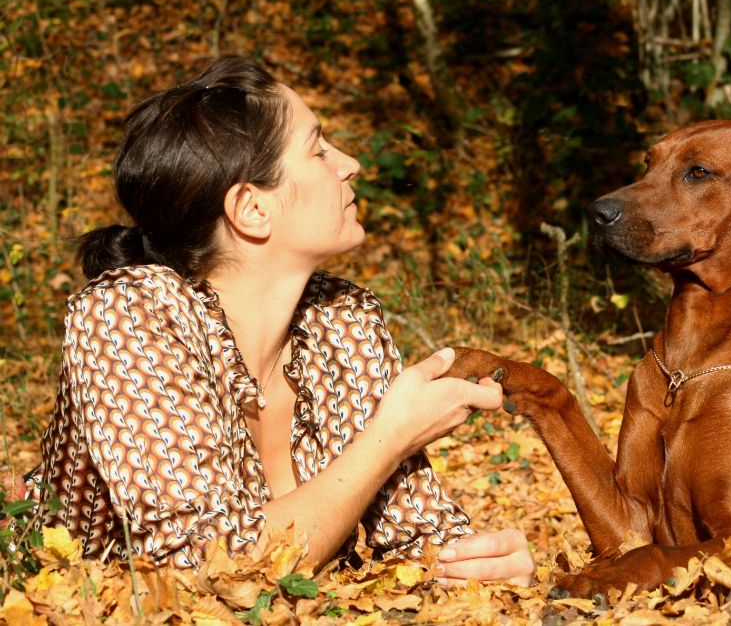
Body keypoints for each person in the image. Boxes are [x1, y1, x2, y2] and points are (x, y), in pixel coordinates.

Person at [20, 56, 534, 586]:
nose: (350, 163)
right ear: (252, 209)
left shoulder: (342, 319)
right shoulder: (127, 317)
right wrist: (391, 434)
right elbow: (199, 569)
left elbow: (415, 536)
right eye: (318, 150)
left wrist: (475, 565)